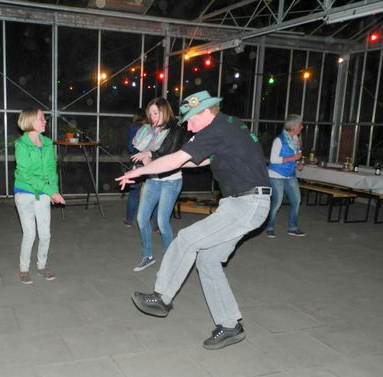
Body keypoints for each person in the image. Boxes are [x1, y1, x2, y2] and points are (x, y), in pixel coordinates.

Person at [116, 90, 271, 350]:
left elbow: (180, 157)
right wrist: (159, 161)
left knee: (186, 239)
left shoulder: (216, 128)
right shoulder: (228, 126)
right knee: (208, 260)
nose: (188, 127)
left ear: (205, 112)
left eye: (190, 120)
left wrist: (140, 172)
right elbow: (196, 161)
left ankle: (162, 298)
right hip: (245, 203)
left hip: (246, 203)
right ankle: (230, 326)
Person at [130, 97, 186, 272]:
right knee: (141, 218)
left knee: (162, 222)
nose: (153, 117)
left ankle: (170, 262)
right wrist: (144, 159)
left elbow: (167, 153)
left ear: (165, 111)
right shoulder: (148, 130)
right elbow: (136, 150)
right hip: (152, 179)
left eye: (156, 113)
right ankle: (148, 255)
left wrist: (148, 154)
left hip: (171, 181)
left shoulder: (175, 130)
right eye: (150, 114)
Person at [14, 108, 65, 285]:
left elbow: (51, 169)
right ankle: (24, 269)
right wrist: (50, 191)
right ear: (30, 121)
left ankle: (41, 266)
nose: (45, 121)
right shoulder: (21, 145)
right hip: (24, 193)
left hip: (44, 193)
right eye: (41, 118)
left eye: (44, 118)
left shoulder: (48, 143)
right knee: (30, 234)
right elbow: (26, 174)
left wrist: (53, 191)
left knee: (45, 235)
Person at [265, 114, 305, 238]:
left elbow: (295, 157)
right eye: (300, 125)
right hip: (276, 174)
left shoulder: (295, 139)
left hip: (290, 174)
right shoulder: (279, 140)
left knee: (296, 201)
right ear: (293, 126)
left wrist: (297, 163)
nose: (302, 127)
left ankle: (292, 228)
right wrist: (293, 158)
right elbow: (273, 160)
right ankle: (269, 227)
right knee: (277, 203)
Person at [123, 109, 147, 226]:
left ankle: (128, 220)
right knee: (153, 194)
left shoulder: (133, 129)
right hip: (152, 163)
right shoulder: (153, 129)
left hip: (137, 163)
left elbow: (130, 147)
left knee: (134, 193)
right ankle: (156, 225)